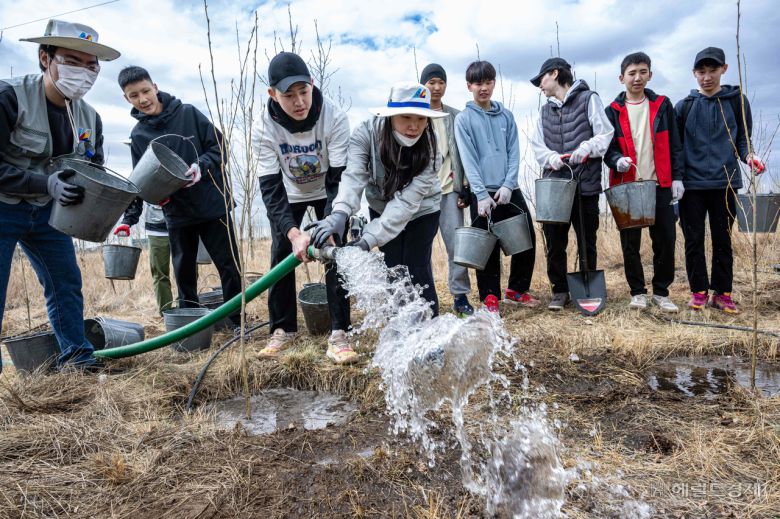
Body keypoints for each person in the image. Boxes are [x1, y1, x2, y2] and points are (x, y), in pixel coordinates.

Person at [0, 20, 120, 371]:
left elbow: (93, 170)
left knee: (65, 282)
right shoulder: (9, 98)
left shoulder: (89, 119)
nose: (83, 72)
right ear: (45, 58)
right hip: (4, 207)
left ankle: (77, 358)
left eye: (91, 65)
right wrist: (44, 184)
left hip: (49, 214)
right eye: (72, 61)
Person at [116, 66, 242, 322]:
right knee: (184, 274)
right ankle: (192, 325)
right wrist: (130, 218)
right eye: (134, 95)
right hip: (177, 214)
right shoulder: (139, 135)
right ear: (126, 99)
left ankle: (236, 322)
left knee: (229, 267)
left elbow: (220, 149)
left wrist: (201, 166)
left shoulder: (188, 114)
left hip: (212, 205)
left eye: (145, 91)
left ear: (155, 87)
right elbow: (140, 180)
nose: (142, 99)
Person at [307, 83, 446, 316]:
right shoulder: (366, 133)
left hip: (423, 210)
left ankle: (429, 330)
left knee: (417, 268)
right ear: (390, 116)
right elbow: (353, 176)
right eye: (406, 117)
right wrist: (339, 213)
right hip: (380, 207)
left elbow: (405, 204)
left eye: (421, 119)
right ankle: (400, 327)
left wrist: (368, 239)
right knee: (393, 267)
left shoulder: (431, 146)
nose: (414, 126)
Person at [252, 52, 355, 364]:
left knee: (335, 250)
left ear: (312, 83)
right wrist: (293, 233)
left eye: (303, 91)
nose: (299, 102)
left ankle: (340, 332)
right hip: (290, 193)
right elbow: (270, 188)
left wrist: (334, 221)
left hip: (327, 189)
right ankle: (282, 329)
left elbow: (339, 179)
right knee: (281, 253)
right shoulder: (262, 127)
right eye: (288, 96)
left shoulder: (334, 117)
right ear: (272, 94)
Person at [675, 47, 764, 313]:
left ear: (724, 69)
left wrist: (750, 156)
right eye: (701, 72)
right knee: (693, 240)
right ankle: (699, 292)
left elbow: (743, 140)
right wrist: (676, 179)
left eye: (712, 70)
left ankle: (723, 293)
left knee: (722, 240)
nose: (707, 77)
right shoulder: (684, 106)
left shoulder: (737, 101)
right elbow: (676, 148)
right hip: (691, 186)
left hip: (726, 183)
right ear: (694, 73)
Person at [530, 57, 614, 311]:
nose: (540, 85)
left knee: (587, 239)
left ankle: (588, 285)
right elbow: (537, 145)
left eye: (542, 79)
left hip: (585, 184)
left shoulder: (589, 99)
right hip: (555, 187)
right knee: (555, 242)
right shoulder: (544, 111)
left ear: (555, 74)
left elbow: (605, 133)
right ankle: (560, 290)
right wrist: (551, 158)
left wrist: (588, 147)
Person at [455, 60, 539, 314]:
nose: (484, 88)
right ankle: (490, 297)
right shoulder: (464, 119)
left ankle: (517, 290)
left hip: (509, 189)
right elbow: (468, 159)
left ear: (494, 83)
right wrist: (481, 194)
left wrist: (509, 185)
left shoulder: (506, 116)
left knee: (526, 238)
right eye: (478, 83)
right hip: (481, 192)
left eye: (488, 82)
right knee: (487, 244)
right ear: (469, 86)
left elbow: (514, 151)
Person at [604, 52, 683, 313]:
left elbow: (675, 144)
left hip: (659, 184)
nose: (637, 77)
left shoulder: (662, 105)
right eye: (632, 73)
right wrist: (617, 160)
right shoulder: (612, 111)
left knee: (665, 240)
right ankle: (637, 292)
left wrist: (677, 177)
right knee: (630, 244)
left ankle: (661, 292)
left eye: (642, 72)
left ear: (650, 74)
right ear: (621, 78)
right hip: (627, 186)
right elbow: (607, 149)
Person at [420, 63, 474, 316]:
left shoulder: (455, 115)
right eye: (431, 82)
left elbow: (463, 153)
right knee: (422, 248)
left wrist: (465, 186)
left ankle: (460, 296)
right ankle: (424, 298)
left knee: (456, 245)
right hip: (422, 194)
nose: (436, 87)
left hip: (450, 190)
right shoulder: (415, 114)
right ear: (423, 85)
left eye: (441, 82)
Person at [114, 201, 173, 315]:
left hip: (184, 222)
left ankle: (187, 311)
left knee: (187, 270)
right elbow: (138, 194)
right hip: (156, 228)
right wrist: (127, 221)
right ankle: (167, 314)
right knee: (159, 273)